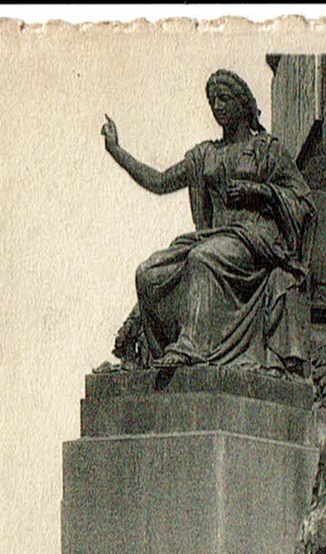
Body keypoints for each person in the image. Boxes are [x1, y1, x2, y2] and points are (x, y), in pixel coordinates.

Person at [102, 69, 312, 371]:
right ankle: (160, 355)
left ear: (244, 105)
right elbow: (160, 182)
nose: (217, 106)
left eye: (224, 98)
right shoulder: (205, 155)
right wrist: (116, 151)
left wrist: (261, 192)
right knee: (149, 272)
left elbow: (303, 201)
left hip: (254, 240)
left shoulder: (268, 150)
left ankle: (191, 345)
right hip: (216, 237)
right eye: (213, 100)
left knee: (203, 259)